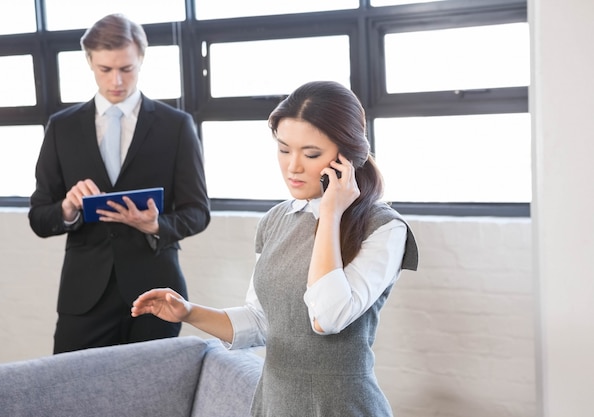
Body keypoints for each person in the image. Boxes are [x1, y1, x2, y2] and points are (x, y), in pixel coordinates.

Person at [131, 80, 418, 416]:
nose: (293, 166)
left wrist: (330, 213)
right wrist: (189, 312)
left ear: (347, 157)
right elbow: (263, 322)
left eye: (311, 154)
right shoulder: (275, 221)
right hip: (275, 402)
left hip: (340, 405)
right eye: (284, 149)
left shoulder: (384, 228)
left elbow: (327, 318)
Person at [28, 13, 210, 354]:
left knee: (153, 400)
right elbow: (39, 216)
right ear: (89, 62)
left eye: (126, 69)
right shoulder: (61, 128)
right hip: (83, 296)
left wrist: (157, 224)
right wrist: (67, 209)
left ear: (141, 58)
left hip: (156, 293)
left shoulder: (176, 127)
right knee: (72, 396)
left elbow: (198, 212)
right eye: (105, 69)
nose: (116, 80)